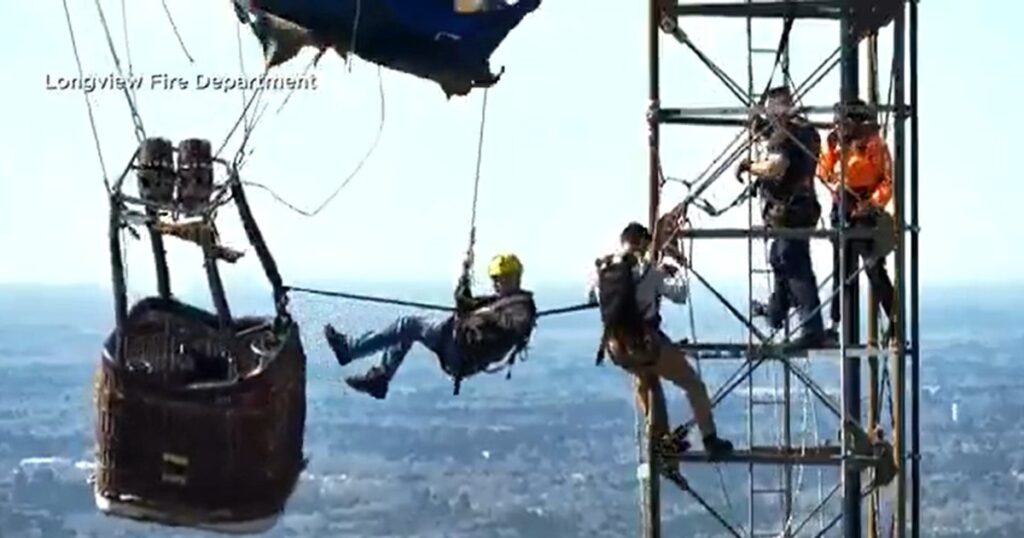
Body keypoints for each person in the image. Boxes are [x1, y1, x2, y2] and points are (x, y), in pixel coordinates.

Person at [589, 222, 734, 460]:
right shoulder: (649, 271)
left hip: (616, 347)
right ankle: (710, 439)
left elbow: (592, 297)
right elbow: (680, 294)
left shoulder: (603, 271)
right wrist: (674, 265)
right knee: (693, 384)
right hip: (646, 344)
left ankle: (659, 441)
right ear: (643, 243)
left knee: (647, 382)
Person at [323, 253, 537, 399]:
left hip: (461, 350)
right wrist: (464, 281)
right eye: (495, 279)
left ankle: (351, 351)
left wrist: (487, 316)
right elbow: (465, 304)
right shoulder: (497, 301)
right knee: (406, 331)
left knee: (408, 325)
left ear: (515, 277)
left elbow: (515, 327)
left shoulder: (521, 306)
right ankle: (380, 377)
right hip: (456, 342)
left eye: (502, 279)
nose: (497, 283)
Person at [737, 86, 828, 348]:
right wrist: (764, 130)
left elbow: (777, 165)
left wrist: (749, 167)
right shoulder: (805, 132)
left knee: (792, 260)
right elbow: (787, 143)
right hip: (802, 208)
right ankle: (777, 311)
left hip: (790, 211)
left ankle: (812, 327)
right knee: (779, 256)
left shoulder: (786, 137)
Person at [817, 98, 896, 343]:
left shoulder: (873, 145)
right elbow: (824, 173)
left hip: (864, 208)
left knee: (872, 266)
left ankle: (894, 320)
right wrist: (831, 150)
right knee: (842, 268)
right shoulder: (837, 145)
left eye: (843, 122)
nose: (838, 127)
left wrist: (871, 204)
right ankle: (835, 323)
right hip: (842, 205)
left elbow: (886, 180)